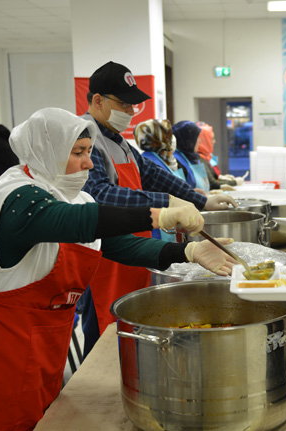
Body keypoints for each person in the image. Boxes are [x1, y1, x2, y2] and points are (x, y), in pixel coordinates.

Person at [0, 107, 235, 431]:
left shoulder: (75, 197)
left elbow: (119, 244)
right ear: (48, 151)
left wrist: (188, 250)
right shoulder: (15, 195)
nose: (88, 163)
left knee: (40, 420)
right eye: (78, 153)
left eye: (89, 152)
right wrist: (156, 215)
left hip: (41, 338)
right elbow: (74, 223)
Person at [80, 61, 237, 356]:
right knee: (102, 338)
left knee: (132, 331)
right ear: (97, 100)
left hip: (138, 247)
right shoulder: (86, 139)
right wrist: (166, 205)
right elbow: (98, 194)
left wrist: (200, 200)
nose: (129, 112)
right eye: (124, 104)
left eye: (133, 106)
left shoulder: (119, 141)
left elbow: (152, 175)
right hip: (105, 258)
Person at [196, 122, 242, 190]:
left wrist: (221, 177)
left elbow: (213, 176)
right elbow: (212, 183)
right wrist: (233, 182)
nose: (214, 141)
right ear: (203, 141)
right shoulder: (199, 159)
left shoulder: (207, 156)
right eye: (211, 139)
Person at [173, 120, 212, 193]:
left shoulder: (191, 157)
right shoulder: (176, 160)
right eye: (197, 138)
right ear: (188, 140)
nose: (200, 141)